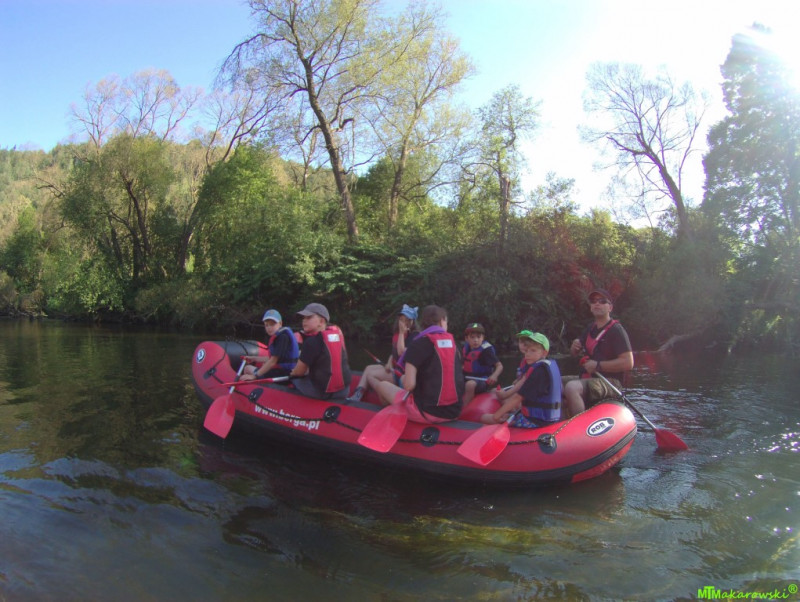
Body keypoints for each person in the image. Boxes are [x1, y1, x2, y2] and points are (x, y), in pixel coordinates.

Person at [372, 305, 464, 423]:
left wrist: (405, 379)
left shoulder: (417, 344)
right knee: (405, 379)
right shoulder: (456, 345)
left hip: (426, 412)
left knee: (382, 385)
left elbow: (409, 386)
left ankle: (391, 417)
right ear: (442, 321)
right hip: (454, 412)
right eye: (446, 321)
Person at [562, 288, 634, 417]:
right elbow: (574, 354)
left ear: (610, 308)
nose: (597, 304)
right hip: (589, 378)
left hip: (611, 382)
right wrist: (574, 347)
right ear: (590, 307)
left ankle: (580, 425)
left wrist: (598, 365)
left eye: (602, 301)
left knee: (572, 387)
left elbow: (628, 363)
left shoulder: (617, 331)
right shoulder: (590, 328)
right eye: (594, 301)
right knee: (555, 381)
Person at [481, 331, 562, 427]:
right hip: (547, 418)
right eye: (526, 351)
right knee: (501, 415)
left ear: (544, 353)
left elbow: (518, 398)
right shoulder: (547, 367)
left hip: (536, 421)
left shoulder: (538, 372)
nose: (527, 354)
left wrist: (496, 416)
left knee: (484, 418)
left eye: (533, 351)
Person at [347, 304, 418, 402]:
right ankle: (358, 394)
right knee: (368, 368)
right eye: (401, 319)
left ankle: (383, 396)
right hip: (394, 368)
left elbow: (401, 352)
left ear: (412, 322)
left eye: (406, 320)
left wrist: (402, 333)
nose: (403, 322)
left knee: (370, 375)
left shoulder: (414, 336)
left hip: (401, 374)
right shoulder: (398, 334)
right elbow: (394, 354)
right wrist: (389, 363)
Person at [289, 303, 352, 400]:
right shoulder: (337, 336)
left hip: (321, 393)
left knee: (294, 379)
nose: (304, 321)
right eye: (303, 318)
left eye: (308, 317)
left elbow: (299, 372)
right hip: (344, 391)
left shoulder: (311, 342)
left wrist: (292, 373)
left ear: (321, 321)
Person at [240, 309, 299, 381]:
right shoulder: (280, 336)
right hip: (283, 371)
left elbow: (273, 361)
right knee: (251, 367)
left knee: (247, 368)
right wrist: (254, 358)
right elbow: (274, 359)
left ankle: (248, 386)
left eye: (272, 324)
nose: (269, 328)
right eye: (266, 325)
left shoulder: (282, 337)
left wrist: (255, 376)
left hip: (283, 374)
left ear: (280, 323)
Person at [460, 322, 503, 405]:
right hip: (467, 377)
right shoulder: (466, 348)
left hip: (482, 380)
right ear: (466, 338)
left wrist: (494, 376)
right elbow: (462, 365)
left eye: (478, 337)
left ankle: (463, 408)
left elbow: (499, 366)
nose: (476, 340)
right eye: (472, 337)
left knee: (470, 384)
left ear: (483, 338)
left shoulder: (486, 350)